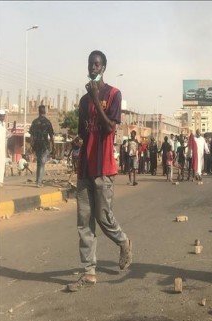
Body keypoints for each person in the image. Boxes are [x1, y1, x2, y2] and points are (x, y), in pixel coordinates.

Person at [67, 50, 132, 292]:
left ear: (103, 67)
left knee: (103, 218)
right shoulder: (83, 101)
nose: (93, 68)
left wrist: (96, 99)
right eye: (90, 64)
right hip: (85, 166)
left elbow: (109, 128)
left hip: (103, 167)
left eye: (97, 64)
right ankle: (89, 272)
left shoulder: (113, 95)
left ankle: (123, 241)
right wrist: (76, 143)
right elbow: (84, 133)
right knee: (84, 221)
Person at [29, 105, 54, 188]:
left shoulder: (34, 122)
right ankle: (39, 182)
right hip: (45, 145)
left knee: (39, 163)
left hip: (37, 145)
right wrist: (53, 146)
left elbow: (31, 135)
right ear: (45, 112)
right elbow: (51, 135)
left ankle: (38, 180)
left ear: (38, 112)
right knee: (42, 163)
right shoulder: (48, 122)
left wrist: (31, 145)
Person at [0, 109, 9, 187]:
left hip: (2, 147)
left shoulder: (3, 124)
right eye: (1, 116)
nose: (2, 117)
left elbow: (6, 135)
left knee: (1, 163)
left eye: (3, 116)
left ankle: (0, 180)